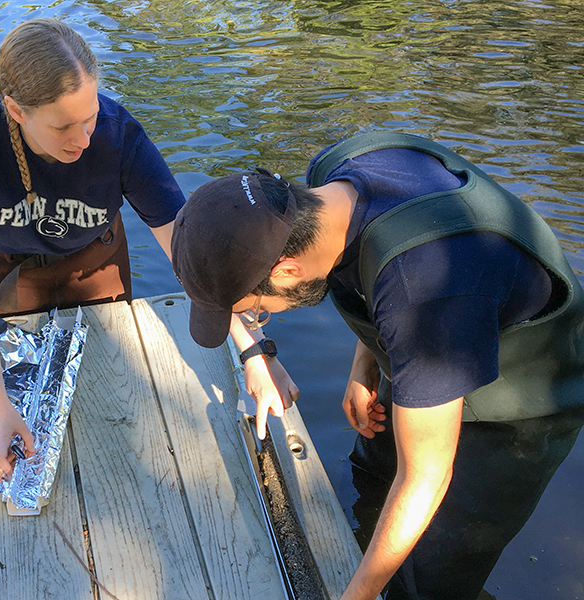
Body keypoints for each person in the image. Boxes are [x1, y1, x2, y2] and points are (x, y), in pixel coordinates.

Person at [170, 131, 584, 600]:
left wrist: (356, 597)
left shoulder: (422, 289)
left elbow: (425, 475)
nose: (258, 317)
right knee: (373, 473)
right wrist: (366, 362)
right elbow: (378, 273)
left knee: (433, 573)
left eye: (256, 310)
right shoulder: (329, 183)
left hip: (523, 395)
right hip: (439, 332)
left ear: (285, 269)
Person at [0, 18, 296, 480]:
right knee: (21, 406)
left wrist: (255, 350)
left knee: (109, 399)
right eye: (63, 126)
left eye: (90, 117)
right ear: (16, 111)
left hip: (94, 263)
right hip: (9, 272)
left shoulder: (120, 136)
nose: (83, 140)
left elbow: (188, 251)